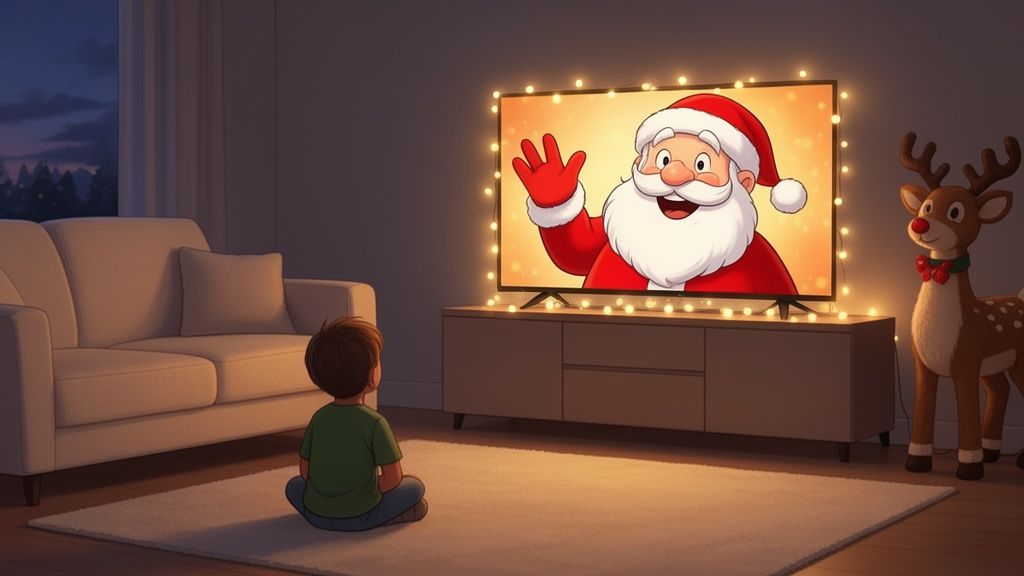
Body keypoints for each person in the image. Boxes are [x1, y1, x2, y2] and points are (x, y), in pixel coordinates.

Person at [514, 93, 805, 294]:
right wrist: (556, 204)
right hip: (609, 334)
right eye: (663, 160)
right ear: (637, 165)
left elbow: (784, 307)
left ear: (743, 182)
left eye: (701, 164)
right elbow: (574, 256)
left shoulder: (747, 251)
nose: (674, 176)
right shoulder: (625, 226)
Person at [285, 317, 427, 530]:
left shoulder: (319, 418)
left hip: (316, 512)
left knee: (294, 486)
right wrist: (364, 493)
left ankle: (326, 516)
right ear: (371, 374)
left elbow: (305, 470)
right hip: (361, 514)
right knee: (414, 487)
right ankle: (379, 518)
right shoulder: (375, 423)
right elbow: (393, 478)